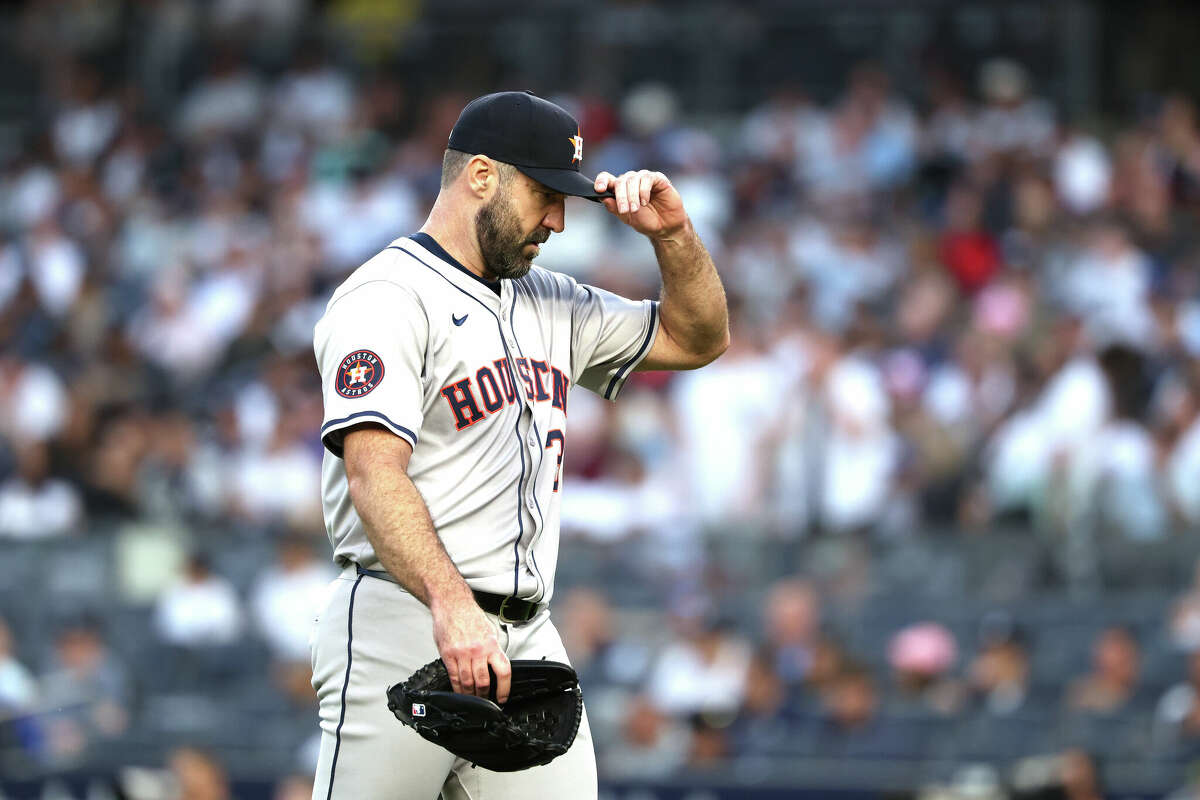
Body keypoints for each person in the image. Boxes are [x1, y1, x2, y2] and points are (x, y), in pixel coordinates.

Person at [309, 90, 728, 800]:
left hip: (526, 638)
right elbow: (374, 473)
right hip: (404, 620)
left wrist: (673, 235)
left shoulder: (552, 299)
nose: (559, 221)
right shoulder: (386, 296)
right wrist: (450, 605)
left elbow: (699, 338)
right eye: (544, 194)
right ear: (481, 177)